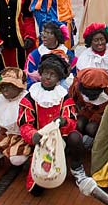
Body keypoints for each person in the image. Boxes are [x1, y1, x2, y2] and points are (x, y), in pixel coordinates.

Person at [18, 53, 86, 196]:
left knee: (76, 137)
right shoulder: (30, 97)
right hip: (40, 140)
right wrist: (33, 135)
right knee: (37, 190)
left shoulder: (64, 97)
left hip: (60, 139)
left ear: (58, 79)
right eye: (46, 73)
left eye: (53, 75)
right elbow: (24, 124)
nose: (48, 77)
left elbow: (72, 122)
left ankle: (76, 168)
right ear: (40, 73)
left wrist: (64, 121)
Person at [0, 67, 31, 166]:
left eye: (10, 86)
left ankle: (26, 155)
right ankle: (4, 152)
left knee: (16, 160)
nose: (5, 89)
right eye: (3, 86)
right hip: (4, 134)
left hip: (21, 136)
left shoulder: (26, 99)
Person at [69, 68, 108, 150]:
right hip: (86, 111)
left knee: (91, 128)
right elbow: (75, 103)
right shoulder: (77, 88)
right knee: (78, 124)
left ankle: (94, 144)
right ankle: (79, 145)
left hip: (102, 115)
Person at [25, 21, 76, 89]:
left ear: (57, 36)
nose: (44, 36)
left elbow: (74, 77)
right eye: (44, 32)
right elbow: (29, 78)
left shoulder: (68, 55)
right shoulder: (35, 55)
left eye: (49, 33)